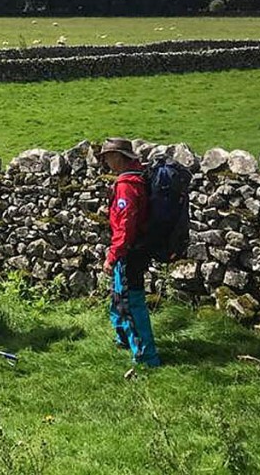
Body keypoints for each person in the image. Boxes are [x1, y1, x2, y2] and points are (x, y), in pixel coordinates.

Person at [100, 138, 161, 368]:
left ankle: (147, 357)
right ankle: (124, 339)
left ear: (119, 157)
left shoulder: (127, 185)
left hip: (130, 251)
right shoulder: (137, 177)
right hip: (134, 248)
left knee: (131, 301)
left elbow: (125, 225)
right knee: (119, 296)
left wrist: (113, 255)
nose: (105, 161)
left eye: (108, 156)